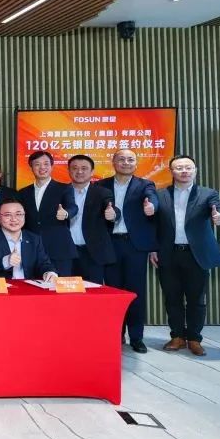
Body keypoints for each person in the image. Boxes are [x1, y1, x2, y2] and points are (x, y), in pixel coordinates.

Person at [151, 155, 220, 357]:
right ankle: (177, 336)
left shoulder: (207, 194)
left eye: (188, 167)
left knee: (197, 299)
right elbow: (154, 225)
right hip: (168, 254)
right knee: (172, 298)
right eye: (179, 168)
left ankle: (194, 338)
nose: (184, 171)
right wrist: (152, 248)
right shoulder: (161, 194)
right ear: (171, 171)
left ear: (195, 171)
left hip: (196, 255)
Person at [95, 149, 159, 353]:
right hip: (110, 244)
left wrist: (152, 207)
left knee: (135, 292)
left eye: (130, 159)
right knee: (113, 292)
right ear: (113, 162)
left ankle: (137, 337)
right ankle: (116, 334)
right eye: (121, 159)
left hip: (134, 246)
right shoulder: (101, 185)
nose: (126, 162)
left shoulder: (145, 184)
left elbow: (152, 198)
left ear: (136, 163)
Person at [17, 151, 78, 275]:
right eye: (37, 164)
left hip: (59, 248)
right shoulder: (23, 192)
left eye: (46, 164)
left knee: (60, 284)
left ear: (52, 166)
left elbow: (73, 207)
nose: (42, 167)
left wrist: (66, 213)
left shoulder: (64, 188)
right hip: (32, 249)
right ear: (31, 167)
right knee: (33, 284)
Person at [0, 199, 57, 282]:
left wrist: (49, 272)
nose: (14, 219)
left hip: (28, 287)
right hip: (2, 287)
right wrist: (7, 261)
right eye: (7, 215)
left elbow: (43, 263)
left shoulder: (34, 239)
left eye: (18, 214)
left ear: (24, 215)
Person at [67, 155, 116, 284]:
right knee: (66, 292)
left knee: (93, 291)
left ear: (92, 172)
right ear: (69, 171)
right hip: (66, 253)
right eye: (75, 168)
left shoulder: (102, 193)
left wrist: (113, 214)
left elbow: (112, 207)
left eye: (84, 168)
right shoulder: (60, 192)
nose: (79, 171)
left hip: (92, 253)